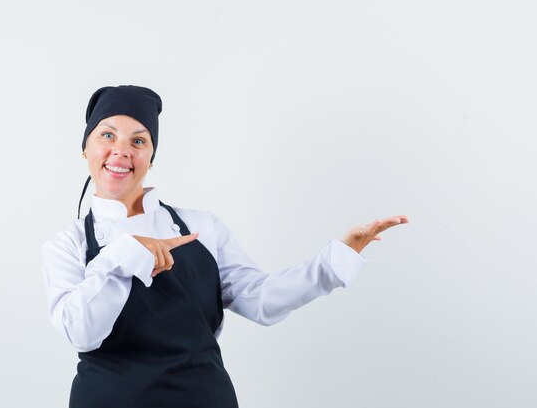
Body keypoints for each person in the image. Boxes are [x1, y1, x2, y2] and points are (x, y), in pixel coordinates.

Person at [42, 85, 409, 408]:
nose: (121, 151)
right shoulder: (66, 246)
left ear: (151, 158)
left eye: (138, 140)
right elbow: (82, 333)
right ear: (85, 148)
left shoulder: (202, 227)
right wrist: (124, 256)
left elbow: (261, 300)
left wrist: (336, 259)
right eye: (107, 136)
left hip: (203, 399)